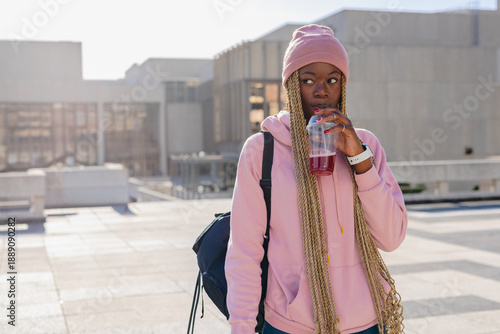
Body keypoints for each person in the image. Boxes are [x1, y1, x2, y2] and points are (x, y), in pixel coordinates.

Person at [225, 24, 407, 334]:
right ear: (292, 85)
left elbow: (391, 238)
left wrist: (358, 158)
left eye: (332, 80)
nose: (321, 90)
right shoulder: (262, 151)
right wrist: (242, 327)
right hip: (290, 325)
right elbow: (245, 249)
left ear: (343, 86)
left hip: (364, 324)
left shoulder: (366, 145)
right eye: (308, 80)